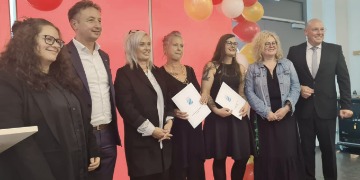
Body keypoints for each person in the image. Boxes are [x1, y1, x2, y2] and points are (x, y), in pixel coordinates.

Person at [0, 18, 100, 180]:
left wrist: (92, 148)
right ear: (28, 41)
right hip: (39, 173)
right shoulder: (8, 79)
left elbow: (81, 117)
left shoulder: (63, 78)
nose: (55, 45)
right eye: (48, 38)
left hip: (76, 169)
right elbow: (18, 142)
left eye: (58, 41)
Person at [287, 18, 353, 180]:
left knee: (329, 150)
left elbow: (343, 78)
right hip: (303, 110)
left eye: (322, 29)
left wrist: (346, 104)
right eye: (315, 29)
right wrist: (300, 88)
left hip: (327, 110)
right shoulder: (294, 51)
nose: (320, 33)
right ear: (306, 32)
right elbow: (287, 78)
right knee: (306, 150)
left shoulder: (335, 50)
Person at [66, 1, 121, 179]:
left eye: (99, 20)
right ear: (75, 24)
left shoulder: (103, 56)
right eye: (91, 20)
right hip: (81, 135)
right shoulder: (63, 56)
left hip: (107, 134)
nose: (97, 25)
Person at [245, 31, 304, 180]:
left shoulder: (287, 64)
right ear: (260, 46)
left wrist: (287, 107)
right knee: (267, 155)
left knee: (288, 153)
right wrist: (266, 112)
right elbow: (249, 92)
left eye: (274, 43)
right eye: (267, 43)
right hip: (264, 119)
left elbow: (296, 87)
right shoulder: (253, 68)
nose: (271, 46)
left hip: (286, 116)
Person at [114, 30, 173, 180]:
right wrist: (152, 130)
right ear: (132, 48)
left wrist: (169, 121)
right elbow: (126, 108)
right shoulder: (124, 73)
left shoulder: (158, 72)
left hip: (163, 146)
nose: (147, 48)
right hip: (141, 148)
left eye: (148, 44)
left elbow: (167, 100)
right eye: (142, 44)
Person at [201, 34, 253, 180]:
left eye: (235, 43)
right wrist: (216, 110)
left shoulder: (241, 68)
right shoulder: (212, 66)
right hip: (217, 118)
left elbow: (242, 93)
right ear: (221, 45)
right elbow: (205, 92)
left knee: (242, 157)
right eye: (229, 43)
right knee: (219, 157)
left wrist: (245, 104)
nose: (232, 46)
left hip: (237, 117)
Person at [159, 31, 206, 180]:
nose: (179, 49)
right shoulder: (159, 73)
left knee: (196, 169)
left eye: (181, 46)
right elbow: (159, 102)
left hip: (194, 128)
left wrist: (203, 99)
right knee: (177, 169)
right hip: (175, 129)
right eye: (175, 45)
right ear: (165, 48)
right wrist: (173, 112)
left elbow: (198, 95)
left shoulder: (190, 70)